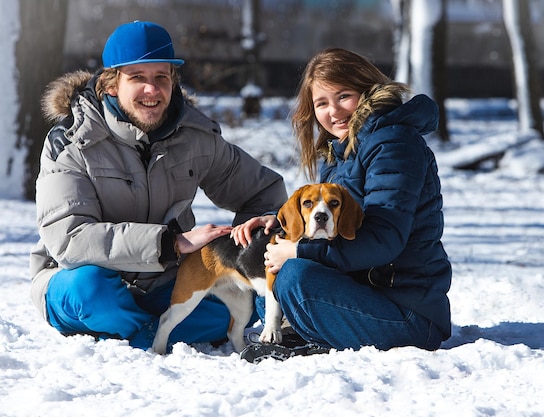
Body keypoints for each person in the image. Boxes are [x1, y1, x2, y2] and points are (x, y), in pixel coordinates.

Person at [30, 21, 287, 350]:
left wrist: (255, 226)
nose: (152, 90)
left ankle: (137, 333)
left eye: (161, 78)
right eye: (137, 77)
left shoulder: (194, 136)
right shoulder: (69, 142)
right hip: (81, 281)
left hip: (164, 283)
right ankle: (154, 334)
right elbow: (70, 241)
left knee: (240, 304)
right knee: (91, 290)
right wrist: (172, 244)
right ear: (110, 84)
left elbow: (265, 192)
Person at [233, 48, 451, 354]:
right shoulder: (340, 152)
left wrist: (298, 249)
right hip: (364, 293)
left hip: (407, 312)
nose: (333, 111)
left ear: (367, 90)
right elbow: (334, 221)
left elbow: (384, 239)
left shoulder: (394, 144)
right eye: (322, 103)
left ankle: (315, 333)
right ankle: (306, 328)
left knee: (295, 274)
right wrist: (282, 224)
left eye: (343, 96)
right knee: (266, 256)